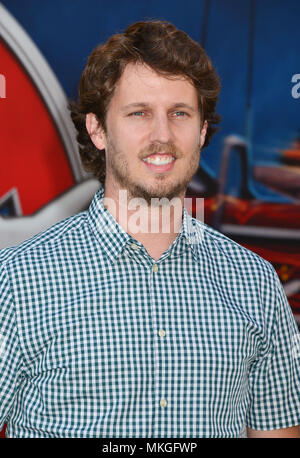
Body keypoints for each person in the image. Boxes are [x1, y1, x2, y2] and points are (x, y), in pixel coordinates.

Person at [0, 20, 299, 438]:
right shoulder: (17, 281)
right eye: (139, 113)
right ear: (98, 129)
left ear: (201, 131)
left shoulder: (254, 283)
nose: (162, 135)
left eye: (179, 113)